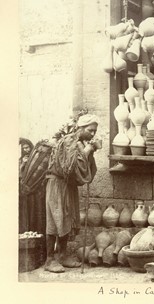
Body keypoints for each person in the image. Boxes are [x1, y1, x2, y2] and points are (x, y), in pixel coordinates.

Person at [44, 113, 100, 273]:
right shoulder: (69, 141)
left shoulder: (80, 143)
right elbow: (69, 167)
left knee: (68, 218)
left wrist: (90, 150)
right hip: (57, 184)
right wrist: (89, 149)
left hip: (68, 185)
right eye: (90, 130)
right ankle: (49, 260)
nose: (93, 134)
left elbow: (82, 168)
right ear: (80, 128)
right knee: (56, 219)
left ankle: (62, 256)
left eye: (94, 131)